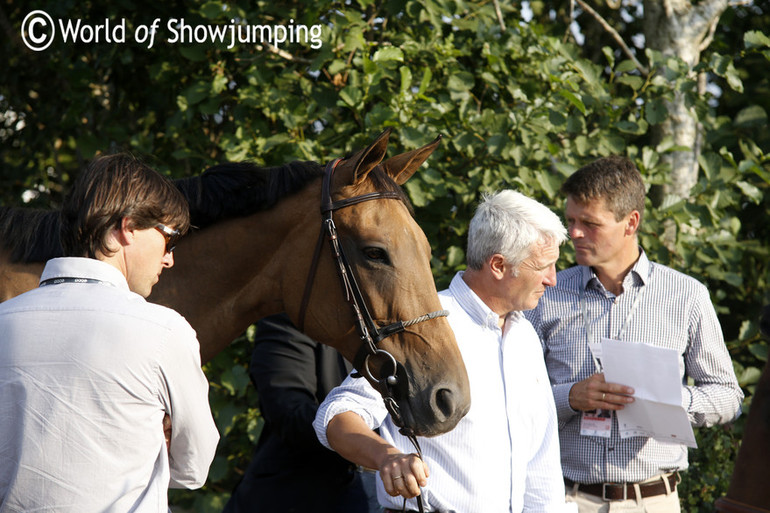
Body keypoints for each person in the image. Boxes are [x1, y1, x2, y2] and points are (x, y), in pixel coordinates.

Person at [314, 190, 577, 513]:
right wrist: (386, 455)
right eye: (543, 266)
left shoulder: (525, 336)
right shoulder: (420, 327)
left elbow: (541, 462)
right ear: (498, 265)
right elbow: (337, 414)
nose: (553, 279)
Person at [0, 154, 220, 512]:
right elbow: (194, 467)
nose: (170, 259)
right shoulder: (163, 331)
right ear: (128, 227)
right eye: (170, 238)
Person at [525, 156, 743, 512]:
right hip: (565, 498)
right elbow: (512, 398)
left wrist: (671, 400)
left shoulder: (686, 295)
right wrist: (571, 397)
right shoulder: (545, 295)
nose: (575, 233)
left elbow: (728, 397)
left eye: (590, 224)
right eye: (571, 221)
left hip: (652, 500)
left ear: (631, 223)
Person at [223, 313, 378, 513]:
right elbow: (288, 412)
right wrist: (368, 443)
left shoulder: (399, 325)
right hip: (300, 494)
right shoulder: (293, 321)